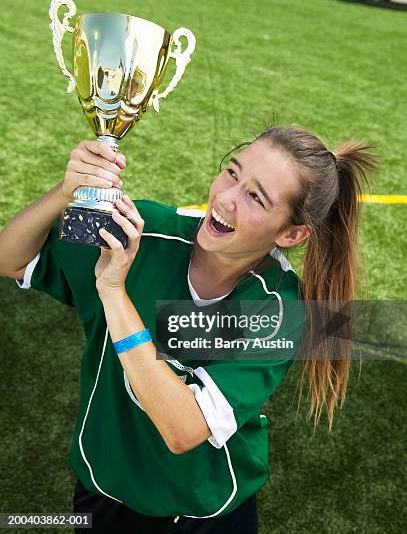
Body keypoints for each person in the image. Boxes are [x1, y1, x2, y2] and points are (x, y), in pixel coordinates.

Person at [0, 125, 378, 532]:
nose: (225, 199)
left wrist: (113, 291)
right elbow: (12, 260)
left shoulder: (283, 310)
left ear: (291, 233)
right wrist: (66, 191)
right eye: (233, 173)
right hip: (108, 487)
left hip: (208, 509)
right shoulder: (147, 234)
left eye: (255, 197)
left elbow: (182, 429)